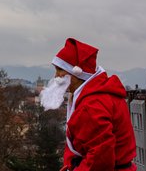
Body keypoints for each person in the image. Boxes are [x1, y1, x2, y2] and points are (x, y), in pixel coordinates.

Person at [43, 38, 136, 171]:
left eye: (60, 70)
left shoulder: (91, 106)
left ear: (76, 72)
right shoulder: (104, 93)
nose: (56, 76)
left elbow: (99, 159)